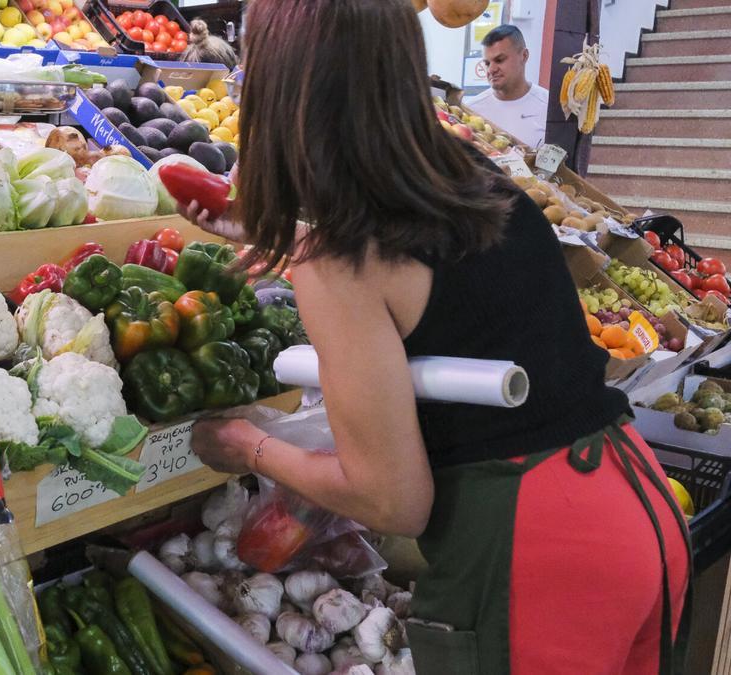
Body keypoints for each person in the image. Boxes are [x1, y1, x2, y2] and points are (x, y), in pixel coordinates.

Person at [178, 1, 690, 673]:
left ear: (279, 87)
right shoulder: (463, 168)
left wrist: (251, 446)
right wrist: (282, 231)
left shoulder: (340, 259)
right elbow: (428, 273)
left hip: (541, 559)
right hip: (636, 507)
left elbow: (393, 497)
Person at [465, 24, 550, 148]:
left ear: (524, 56)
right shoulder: (470, 111)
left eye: (499, 60)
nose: (491, 70)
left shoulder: (549, 108)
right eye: (487, 63)